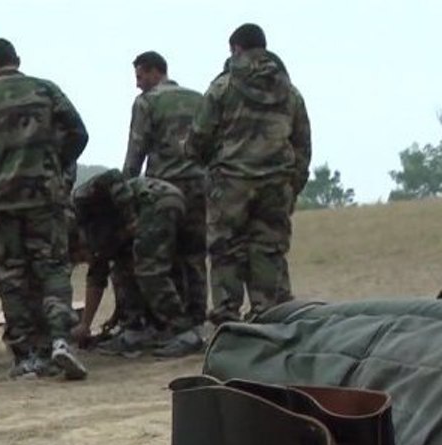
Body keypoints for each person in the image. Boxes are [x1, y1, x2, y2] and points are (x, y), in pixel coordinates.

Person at [0, 37, 88, 380]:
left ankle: (27, 355)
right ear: (17, 59)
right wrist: (53, 163)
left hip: (1, 200)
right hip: (46, 195)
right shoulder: (45, 90)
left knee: (12, 275)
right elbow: (79, 133)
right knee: (53, 268)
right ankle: (60, 339)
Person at [184, 23, 312, 324]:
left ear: (236, 49)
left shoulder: (222, 87)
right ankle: (270, 316)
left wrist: (210, 166)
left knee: (226, 251)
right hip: (276, 183)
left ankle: (228, 319)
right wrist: (293, 184)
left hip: (230, 184)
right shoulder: (291, 92)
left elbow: (198, 138)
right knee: (269, 248)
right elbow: (303, 144)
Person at [71, 169, 202, 358]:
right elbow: (96, 279)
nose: (85, 259)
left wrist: (131, 217)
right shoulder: (98, 241)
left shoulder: (81, 201)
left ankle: (184, 332)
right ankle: (137, 329)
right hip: (163, 203)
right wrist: (85, 325)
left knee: (149, 270)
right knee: (126, 269)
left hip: (155, 201)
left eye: (81, 256)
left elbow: (113, 176)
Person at [123, 51, 208, 334]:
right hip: (200, 186)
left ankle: (174, 325)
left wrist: (125, 191)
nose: (137, 84)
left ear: (154, 72)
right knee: (195, 256)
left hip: (164, 190)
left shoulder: (147, 102)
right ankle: (198, 317)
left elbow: (136, 150)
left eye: (140, 76)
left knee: (164, 257)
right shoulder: (199, 99)